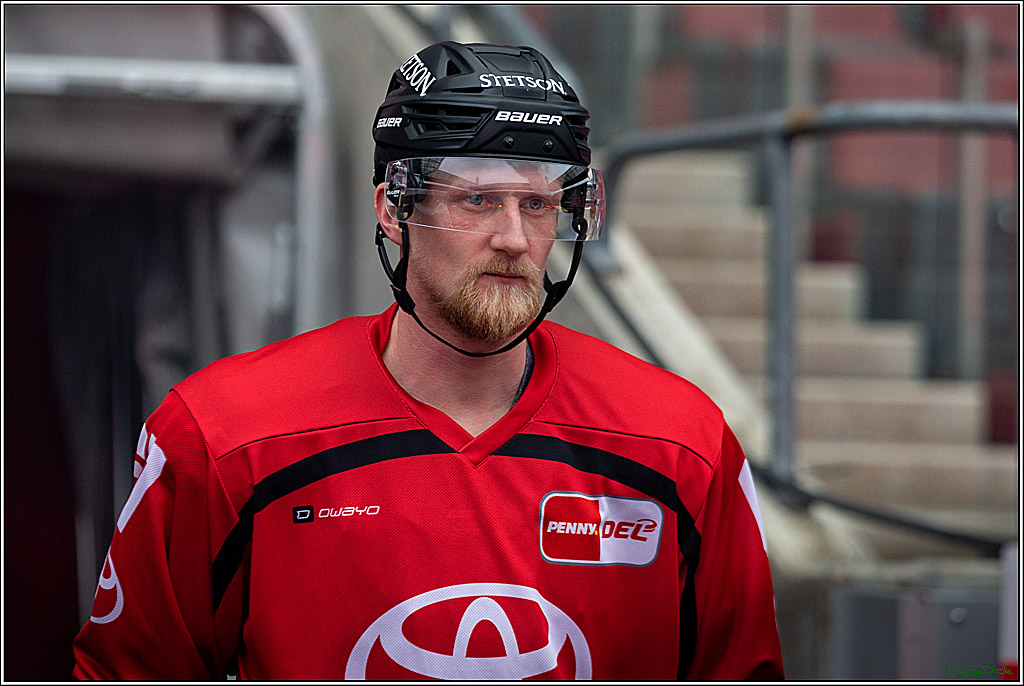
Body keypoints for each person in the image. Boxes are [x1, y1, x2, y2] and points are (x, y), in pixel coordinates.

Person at [72, 41, 784, 680]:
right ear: (393, 210)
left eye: (538, 205)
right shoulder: (225, 434)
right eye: (477, 199)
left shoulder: (680, 444)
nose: (514, 238)